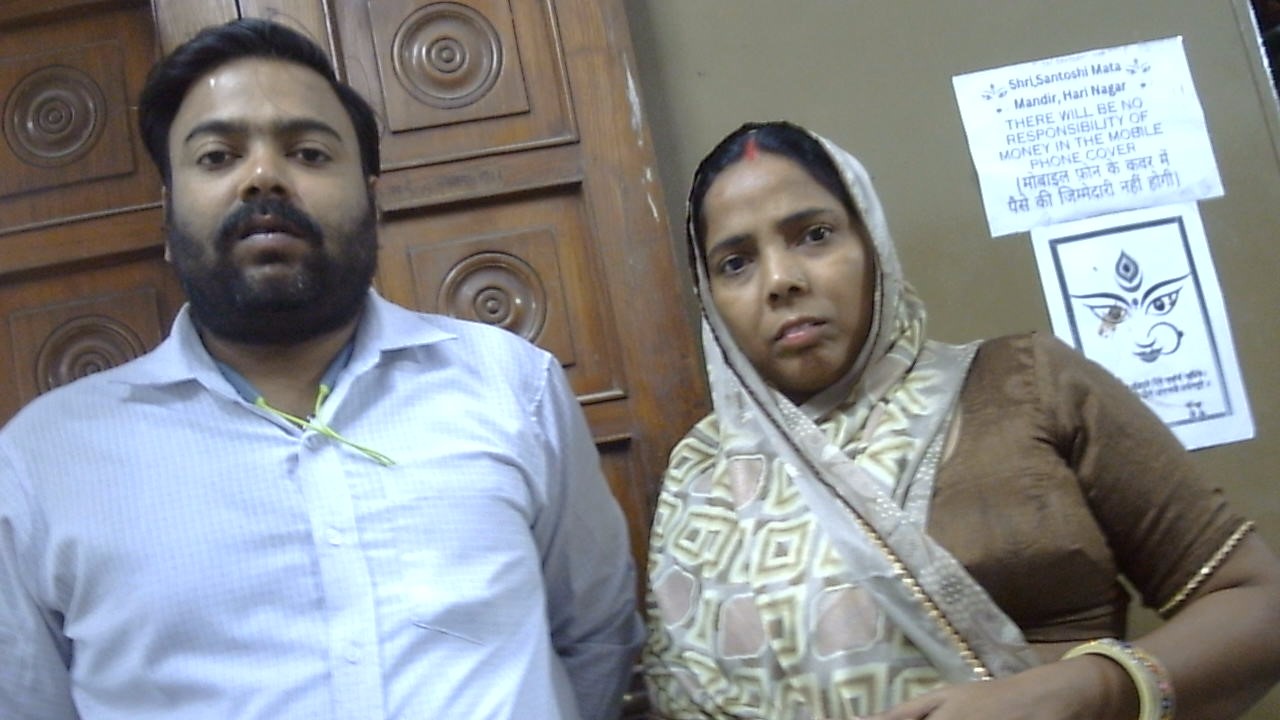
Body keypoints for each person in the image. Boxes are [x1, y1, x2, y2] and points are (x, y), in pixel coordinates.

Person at [0, 18, 642, 720]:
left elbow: (596, 636)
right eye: (217, 157)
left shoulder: (511, 384)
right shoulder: (43, 461)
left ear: (373, 199)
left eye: (308, 153)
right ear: (167, 217)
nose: (263, 177)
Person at [642, 120, 1280, 720]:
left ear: (871, 242)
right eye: (735, 262)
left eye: (815, 234)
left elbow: (1259, 604)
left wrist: (1086, 689)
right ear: (709, 297)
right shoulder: (703, 476)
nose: (781, 280)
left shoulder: (1026, 384)